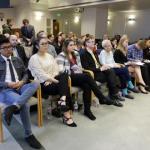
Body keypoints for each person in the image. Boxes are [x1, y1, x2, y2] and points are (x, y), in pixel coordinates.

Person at [56, 39, 122, 121]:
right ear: (65, 47)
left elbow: (80, 67)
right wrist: (72, 70)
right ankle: (101, 97)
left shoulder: (76, 54)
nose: (73, 46)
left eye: (73, 44)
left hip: (77, 75)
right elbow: (61, 71)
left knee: (87, 85)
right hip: (68, 77)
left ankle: (87, 110)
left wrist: (78, 69)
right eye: (71, 45)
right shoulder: (61, 55)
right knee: (87, 76)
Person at [0, 35, 42, 149]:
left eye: (9, 47)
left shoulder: (16, 59)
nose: (9, 49)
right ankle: (29, 135)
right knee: (25, 105)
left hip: (20, 86)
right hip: (6, 90)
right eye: (5, 48)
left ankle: (14, 106)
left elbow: (26, 73)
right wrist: (7, 84)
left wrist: (22, 82)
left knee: (36, 82)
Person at [28, 37, 77, 127]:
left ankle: (63, 101)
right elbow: (41, 75)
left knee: (64, 74)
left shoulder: (49, 56)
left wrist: (52, 79)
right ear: (37, 46)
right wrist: (54, 80)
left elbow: (56, 70)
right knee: (64, 86)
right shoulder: (34, 58)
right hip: (42, 84)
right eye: (43, 44)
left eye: (47, 43)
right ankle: (66, 114)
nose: (46, 45)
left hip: (52, 80)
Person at [80, 35, 124, 105]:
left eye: (93, 42)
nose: (93, 43)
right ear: (86, 43)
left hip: (98, 70)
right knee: (111, 75)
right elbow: (86, 68)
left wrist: (103, 66)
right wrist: (100, 69)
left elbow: (97, 63)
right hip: (92, 73)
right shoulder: (83, 53)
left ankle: (113, 95)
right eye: (91, 42)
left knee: (111, 71)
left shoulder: (93, 52)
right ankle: (113, 95)